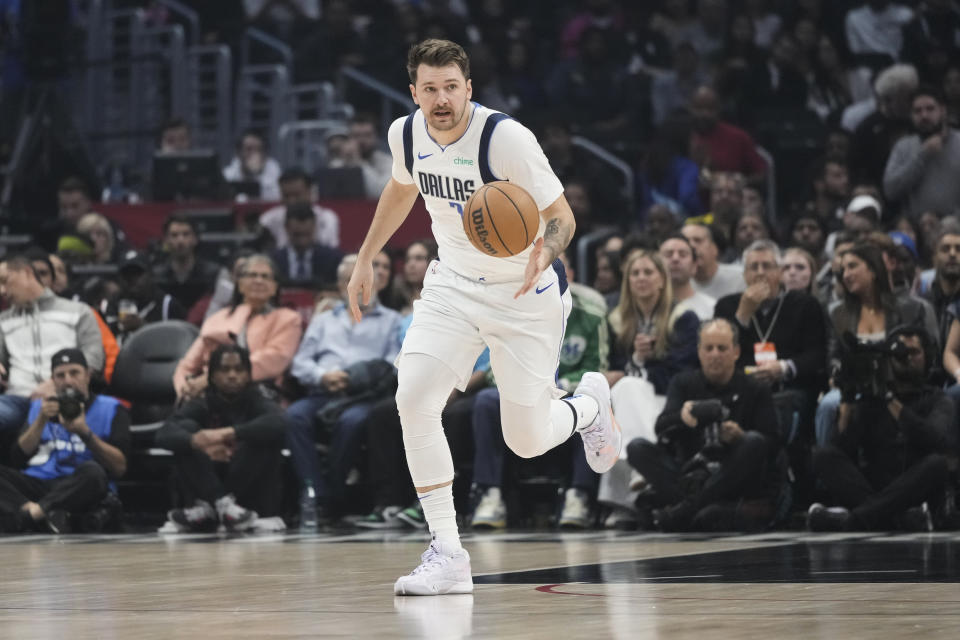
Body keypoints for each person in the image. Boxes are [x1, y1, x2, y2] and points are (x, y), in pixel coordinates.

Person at [346, 39, 621, 596]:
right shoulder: (406, 134)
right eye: (430, 89)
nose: (441, 99)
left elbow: (562, 218)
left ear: (469, 88)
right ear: (414, 92)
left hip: (525, 295)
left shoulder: (506, 139)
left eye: (451, 87)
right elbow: (402, 188)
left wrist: (546, 250)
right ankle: (447, 551)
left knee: (527, 440)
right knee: (413, 399)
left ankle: (589, 406)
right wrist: (366, 257)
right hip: (452, 286)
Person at [470, 252, 609, 530]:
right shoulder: (513, 307)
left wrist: (560, 386)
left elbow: (597, 368)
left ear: (568, 272)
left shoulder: (591, 312)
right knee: (486, 400)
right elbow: (495, 366)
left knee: (591, 396)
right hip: (523, 388)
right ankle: (490, 495)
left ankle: (578, 495)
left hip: (568, 389)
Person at [627, 318, 781, 531]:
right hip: (689, 471)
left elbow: (772, 443)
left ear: (736, 352)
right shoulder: (683, 383)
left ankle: (685, 510)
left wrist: (740, 435)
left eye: (722, 348)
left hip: (733, 474)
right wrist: (682, 417)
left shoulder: (755, 388)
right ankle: (698, 506)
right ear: (699, 352)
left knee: (753, 442)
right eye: (709, 348)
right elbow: (660, 428)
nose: (715, 354)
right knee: (636, 448)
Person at [286, 255, 402, 523]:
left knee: (351, 422)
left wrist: (354, 377)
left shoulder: (392, 320)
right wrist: (323, 376)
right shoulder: (324, 319)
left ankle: (335, 494)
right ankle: (315, 492)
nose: (361, 284)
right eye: (352, 279)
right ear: (341, 285)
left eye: (365, 278)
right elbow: (300, 363)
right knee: (294, 417)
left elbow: (393, 362)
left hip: (364, 395)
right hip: (323, 390)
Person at [809, 327, 952, 531]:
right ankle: (898, 518)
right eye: (902, 353)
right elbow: (841, 448)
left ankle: (854, 520)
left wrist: (889, 398)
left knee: (937, 464)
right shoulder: (873, 401)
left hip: (914, 485)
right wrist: (848, 401)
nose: (907, 358)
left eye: (915, 352)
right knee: (823, 455)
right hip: (876, 485)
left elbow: (933, 438)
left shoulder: (937, 399)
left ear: (928, 358)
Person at [600, 249, 700, 527]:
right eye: (635, 273)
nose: (641, 278)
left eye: (648, 272)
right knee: (623, 393)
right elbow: (614, 366)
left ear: (661, 280)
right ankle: (638, 473)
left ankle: (624, 501)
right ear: (627, 281)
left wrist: (641, 366)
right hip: (634, 400)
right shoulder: (617, 320)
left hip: (669, 401)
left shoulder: (683, 317)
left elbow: (683, 371)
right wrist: (637, 359)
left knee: (627, 389)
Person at [158, 345, 286, 532]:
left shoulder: (257, 398)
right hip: (210, 481)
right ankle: (220, 506)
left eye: (239, 370)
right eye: (224, 370)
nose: (232, 375)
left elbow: (280, 422)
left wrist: (226, 434)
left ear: (249, 374)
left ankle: (222, 509)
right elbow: (164, 433)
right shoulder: (203, 402)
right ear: (211, 376)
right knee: (186, 432)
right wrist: (198, 442)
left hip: (246, 487)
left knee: (264, 435)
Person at [815, 243, 933, 446]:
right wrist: (838, 375)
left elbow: (923, 355)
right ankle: (827, 465)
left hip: (897, 383)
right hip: (854, 385)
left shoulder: (909, 309)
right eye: (842, 270)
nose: (845, 274)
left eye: (852, 266)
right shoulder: (837, 313)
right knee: (828, 404)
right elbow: (834, 355)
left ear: (873, 270)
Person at [0, 349, 129, 533]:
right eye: (60, 375)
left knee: (93, 472)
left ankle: (30, 515)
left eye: (74, 373)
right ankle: (38, 513)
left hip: (78, 487)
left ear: (88, 375)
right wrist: (41, 420)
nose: (68, 380)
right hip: (39, 483)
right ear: (52, 380)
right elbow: (18, 458)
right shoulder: (40, 407)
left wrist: (85, 433)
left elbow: (120, 468)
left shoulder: (112, 408)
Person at [172, 255, 302, 402]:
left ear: (275, 287)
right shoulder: (218, 318)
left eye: (265, 276)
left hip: (261, 394)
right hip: (207, 393)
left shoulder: (288, 319)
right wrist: (185, 390)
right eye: (252, 275)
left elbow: (273, 360)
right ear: (239, 284)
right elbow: (187, 364)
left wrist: (212, 378)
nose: (258, 280)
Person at [0, 256, 105, 437]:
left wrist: (56, 383)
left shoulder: (78, 311)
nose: (1, 290)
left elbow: (94, 358)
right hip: (18, 399)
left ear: (27, 273)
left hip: (64, 397)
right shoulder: (3, 321)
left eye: (4, 281)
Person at [883, 85, 960, 218]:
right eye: (917, 111)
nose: (924, 115)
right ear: (911, 116)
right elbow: (890, 190)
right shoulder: (903, 147)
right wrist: (923, 155)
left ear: (943, 110)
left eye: (930, 109)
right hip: (917, 227)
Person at [104, 251, 186, 345]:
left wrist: (143, 327)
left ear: (150, 275)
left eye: (137, 273)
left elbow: (180, 342)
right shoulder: (112, 304)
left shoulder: (167, 304)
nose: (132, 279)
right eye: (126, 274)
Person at [152, 214, 223, 313]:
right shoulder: (156, 276)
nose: (180, 240)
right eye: (174, 235)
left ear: (195, 239)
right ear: (166, 240)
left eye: (186, 234)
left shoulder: (213, 274)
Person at [258, 168, 340, 250]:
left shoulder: (327, 219)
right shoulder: (268, 220)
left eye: (296, 195)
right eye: (286, 196)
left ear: (310, 193)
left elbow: (331, 254)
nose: (291, 201)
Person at [269, 202, 343, 287]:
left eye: (306, 234)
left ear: (314, 226)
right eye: (297, 234)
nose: (302, 240)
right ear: (286, 227)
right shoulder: (273, 261)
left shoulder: (333, 260)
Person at [681, 223, 745, 299]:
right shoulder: (677, 284)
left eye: (697, 240)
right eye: (686, 242)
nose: (692, 245)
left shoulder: (741, 277)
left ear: (714, 248)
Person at [659, 233, 715, 320]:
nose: (675, 259)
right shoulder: (647, 306)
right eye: (668, 254)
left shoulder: (711, 307)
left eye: (683, 254)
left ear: (694, 266)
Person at [222, 129, 282, 201]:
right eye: (249, 149)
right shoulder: (228, 174)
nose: (254, 153)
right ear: (238, 152)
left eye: (259, 149)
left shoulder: (273, 169)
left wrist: (256, 174)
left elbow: (276, 198)